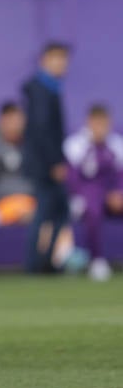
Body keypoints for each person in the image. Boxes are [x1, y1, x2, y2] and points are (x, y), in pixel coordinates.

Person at [22, 42, 71, 274]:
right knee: (47, 211)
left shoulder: (48, 88)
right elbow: (42, 129)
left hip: (46, 162)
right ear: (44, 60)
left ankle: (45, 261)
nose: (62, 63)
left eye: (64, 59)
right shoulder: (41, 89)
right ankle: (36, 264)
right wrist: (54, 162)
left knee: (58, 211)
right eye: (57, 58)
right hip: (45, 165)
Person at [64, 105, 123, 281]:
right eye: (96, 123)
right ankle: (97, 260)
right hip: (84, 198)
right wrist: (102, 194)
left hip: (114, 197)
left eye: (103, 123)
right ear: (88, 122)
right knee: (92, 206)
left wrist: (118, 193)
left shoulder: (117, 144)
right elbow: (73, 180)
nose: (100, 127)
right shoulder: (75, 145)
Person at [0, 102, 36, 223]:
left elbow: (41, 180)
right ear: (1, 122)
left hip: (32, 203)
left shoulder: (33, 146)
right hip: (1, 205)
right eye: (10, 121)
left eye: (18, 121)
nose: (15, 126)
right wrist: (14, 196)